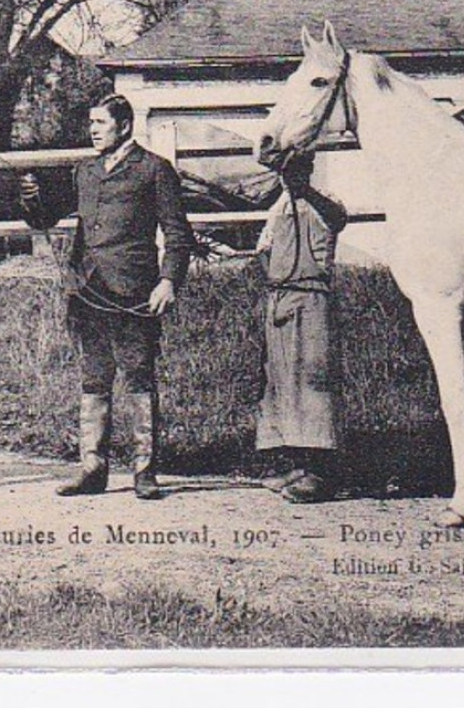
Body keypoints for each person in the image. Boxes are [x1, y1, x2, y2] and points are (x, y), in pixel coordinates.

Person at [19, 94, 196, 500]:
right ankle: (92, 468)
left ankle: (145, 471)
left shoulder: (154, 170)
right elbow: (45, 217)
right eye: (91, 122)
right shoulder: (86, 171)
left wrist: (168, 281)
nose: (93, 129)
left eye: (101, 122)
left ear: (125, 127)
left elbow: (177, 234)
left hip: (134, 293)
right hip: (88, 292)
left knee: (139, 377)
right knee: (94, 379)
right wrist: (32, 197)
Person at [212, 152, 347, 502]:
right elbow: (264, 250)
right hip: (280, 299)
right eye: (284, 171)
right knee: (281, 383)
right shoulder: (279, 207)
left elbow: (338, 219)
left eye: (296, 170)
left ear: (309, 169)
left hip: (311, 297)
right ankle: (297, 464)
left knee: (312, 380)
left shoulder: (322, 204)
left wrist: (306, 191)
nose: (289, 177)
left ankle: (322, 471)